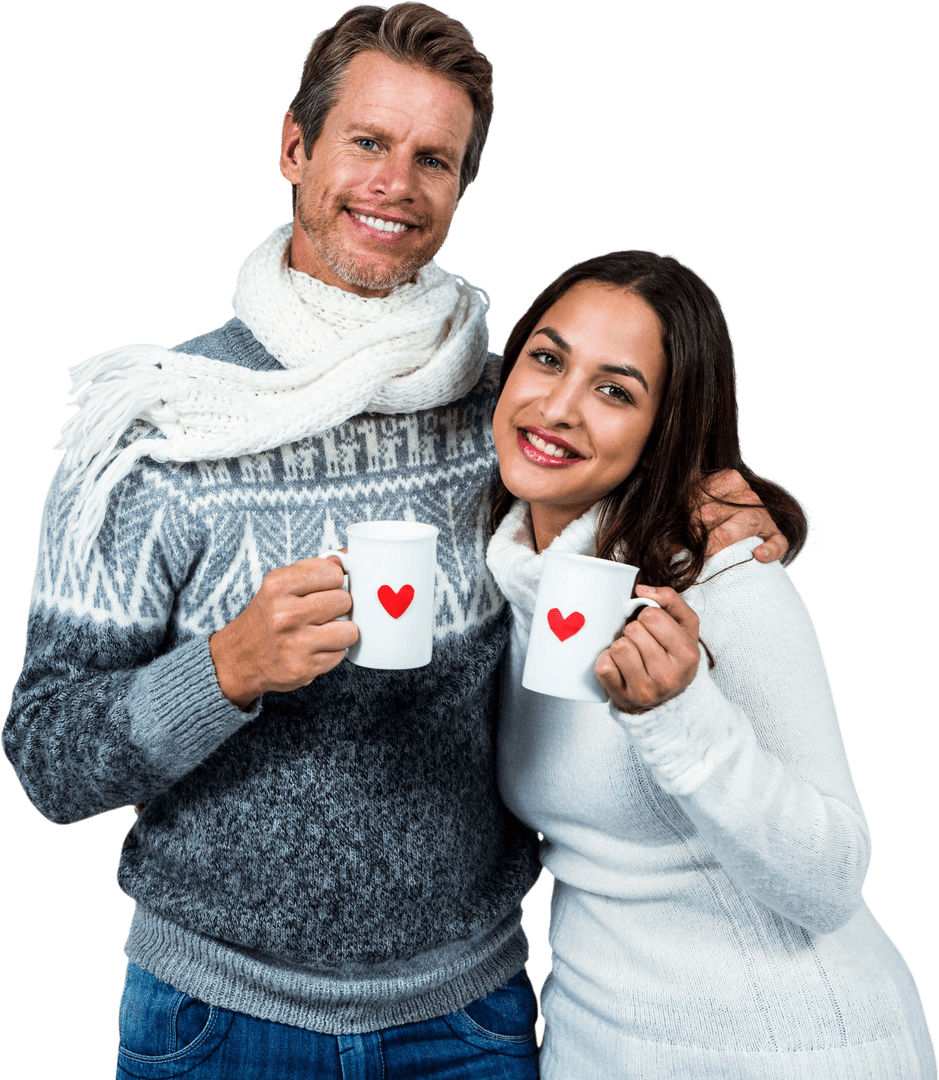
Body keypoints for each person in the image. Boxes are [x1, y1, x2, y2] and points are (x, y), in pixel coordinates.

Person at [2, 5, 788, 1077]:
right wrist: (223, 671)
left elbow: (641, 471)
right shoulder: (155, 430)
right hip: (212, 1019)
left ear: (461, 189)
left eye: (435, 159)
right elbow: (48, 759)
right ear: (294, 147)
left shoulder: (505, 411)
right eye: (368, 142)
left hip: (466, 1019)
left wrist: (751, 514)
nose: (397, 183)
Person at [486, 249, 938, 1078]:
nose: (557, 406)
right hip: (600, 1043)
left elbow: (831, 877)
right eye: (547, 358)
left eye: (615, 390)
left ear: (666, 430)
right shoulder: (506, 577)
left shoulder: (723, 581)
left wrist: (680, 713)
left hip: (784, 1047)